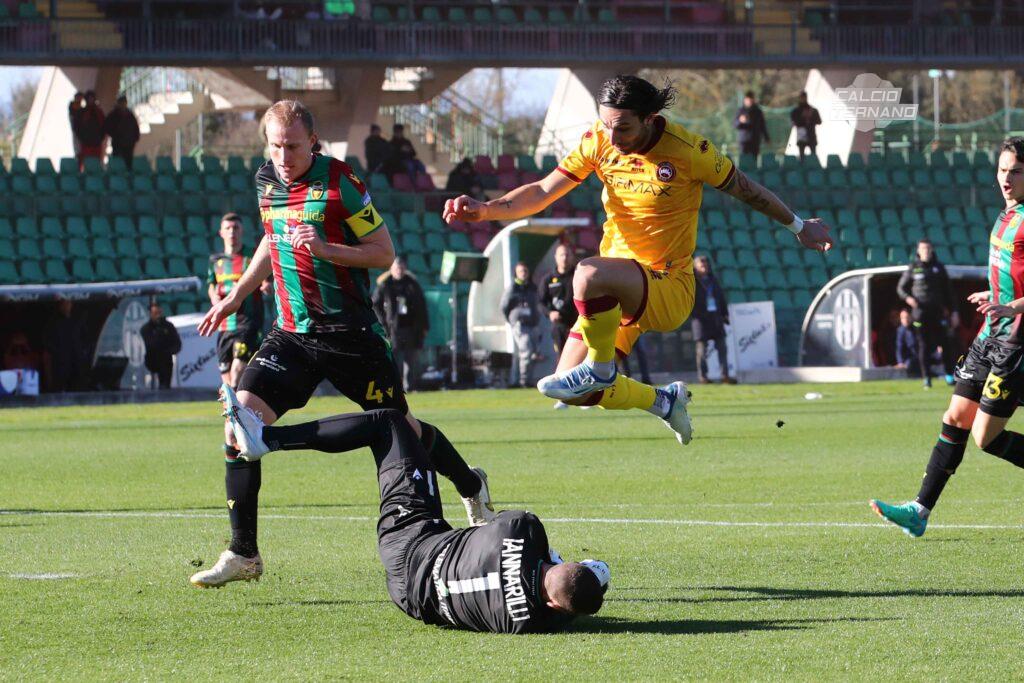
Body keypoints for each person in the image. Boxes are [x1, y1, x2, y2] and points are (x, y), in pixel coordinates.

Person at [192, 100, 494, 588]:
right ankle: (243, 553)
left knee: (404, 429)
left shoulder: (341, 185)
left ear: (312, 141)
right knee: (238, 425)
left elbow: (383, 252)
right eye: (274, 146)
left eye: (292, 146)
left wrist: (327, 248)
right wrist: (234, 297)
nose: (283, 155)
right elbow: (271, 241)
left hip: (351, 335)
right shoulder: (266, 181)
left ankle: (469, 482)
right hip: (291, 332)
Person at [444, 75, 832, 445]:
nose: (612, 137)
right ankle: (663, 402)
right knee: (571, 388)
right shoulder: (599, 142)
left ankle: (600, 369)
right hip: (616, 292)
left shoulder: (688, 150)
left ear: (650, 119)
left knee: (586, 273)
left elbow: (746, 189)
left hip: (668, 286)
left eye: (623, 128)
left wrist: (798, 225)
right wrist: (485, 210)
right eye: (606, 125)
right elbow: (544, 190)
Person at [219, 386, 610, 632]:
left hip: (414, 535)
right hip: (410, 598)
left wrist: (561, 564)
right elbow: (559, 604)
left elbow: (501, 529)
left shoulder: (524, 531)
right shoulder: (530, 622)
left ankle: (266, 438)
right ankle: (469, 484)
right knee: (417, 444)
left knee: (389, 422)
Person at [871, 137, 1024, 538]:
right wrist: (996, 297)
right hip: (989, 336)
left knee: (985, 438)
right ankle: (919, 511)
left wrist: (1013, 308)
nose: (1006, 178)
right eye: (1003, 170)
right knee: (955, 417)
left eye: (1016, 172)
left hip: (1015, 344)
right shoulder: (1005, 216)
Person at [207, 213, 264, 391]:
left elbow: (265, 277)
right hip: (225, 325)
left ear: (242, 231)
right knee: (226, 375)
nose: (232, 232)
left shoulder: (252, 255)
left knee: (238, 367)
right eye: (228, 228)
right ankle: (234, 408)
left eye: (236, 228)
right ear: (221, 233)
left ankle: (234, 399)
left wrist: (267, 285)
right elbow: (211, 285)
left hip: (248, 321)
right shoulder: (215, 261)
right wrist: (214, 298)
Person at [897, 239, 954, 388]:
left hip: (938, 313)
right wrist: (909, 299)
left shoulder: (939, 268)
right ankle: (926, 378)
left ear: (932, 250)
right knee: (923, 346)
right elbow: (901, 288)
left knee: (945, 345)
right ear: (918, 251)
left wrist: (954, 312)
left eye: (928, 248)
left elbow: (948, 292)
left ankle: (949, 375)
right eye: (923, 249)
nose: (926, 251)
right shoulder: (913, 267)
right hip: (920, 313)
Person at [372, 256, 429, 392]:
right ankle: (395, 386)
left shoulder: (412, 284)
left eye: (402, 268)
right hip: (393, 328)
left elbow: (422, 306)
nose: (400, 270)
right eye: (397, 268)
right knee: (395, 358)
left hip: (411, 327)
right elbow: (375, 304)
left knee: (410, 358)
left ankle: (409, 386)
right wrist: (383, 322)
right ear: (392, 269)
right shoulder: (385, 284)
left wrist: (424, 326)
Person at [540, 244, 578, 408]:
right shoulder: (548, 279)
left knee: (581, 360)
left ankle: (584, 396)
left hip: (579, 325)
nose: (565, 258)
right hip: (560, 327)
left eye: (568, 254)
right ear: (556, 257)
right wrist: (549, 313)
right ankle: (563, 398)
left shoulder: (578, 275)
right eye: (562, 255)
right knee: (563, 360)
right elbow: (541, 303)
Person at [692, 255, 735, 384]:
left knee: (722, 348)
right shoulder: (692, 281)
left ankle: (725, 376)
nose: (704, 266)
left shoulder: (713, 280)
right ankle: (703, 377)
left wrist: (725, 314)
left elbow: (721, 297)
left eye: (705, 264)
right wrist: (697, 315)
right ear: (695, 266)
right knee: (702, 352)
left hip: (716, 319)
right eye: (701, 264)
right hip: (700, 321)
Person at [501, 262, 542, 388]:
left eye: (525, 271)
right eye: (521, 271)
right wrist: (512, 320)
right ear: (516, 273)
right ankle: (524, 381)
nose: (523, 274)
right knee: (526, 351)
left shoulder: (532, 287)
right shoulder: (513, 288)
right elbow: (504, 306)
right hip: (520, 324)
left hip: (533, 324)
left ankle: (523, 379)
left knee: (533, 353)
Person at [42, 298, 87, 392]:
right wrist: (49, 378)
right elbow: (47, 353)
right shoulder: (53, 323)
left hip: (77, 367)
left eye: (68, 302)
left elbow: (84, 343)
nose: (66, 305)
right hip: (60, 368)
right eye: (63, 303)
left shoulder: (78, 321)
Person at [140, 302, 181, 389]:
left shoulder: (168, 326)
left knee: (165, 380)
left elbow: (177, 343)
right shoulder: (146, 329)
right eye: (155, 313)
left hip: (166, 359)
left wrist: (170, 350)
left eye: (159, 313)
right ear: (150, 314)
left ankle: (165, 389)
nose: (157, 316)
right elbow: (150, 344)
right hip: (151, 359)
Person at [103, 94, 140, 168]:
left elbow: (135, 127)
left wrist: (135, 137)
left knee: (128, 164)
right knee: (118, 163)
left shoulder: (130, 114)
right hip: (118, 144)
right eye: (121, 102)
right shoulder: (113, 115)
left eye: (124, 102)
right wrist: (116, 135)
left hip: (129, 144)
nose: (123, 104)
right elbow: (107, 127)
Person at [733, 90, 771, 160]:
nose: (750, 102)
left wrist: (766, 138)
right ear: (745, 100)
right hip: (744, 141)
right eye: (748, 100)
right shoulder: (740, 111)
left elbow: (762, 126)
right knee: (744, 161)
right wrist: (740, 121)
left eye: (751, 100)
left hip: (755, 140)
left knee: (754, 160)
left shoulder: (758, 112)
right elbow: (735, 124)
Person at [76, 90, 106, 169]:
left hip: (97, 143)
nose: (91, 100)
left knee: (96, 164)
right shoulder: (82, 112)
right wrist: (82, 137)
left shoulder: (99, 112)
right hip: (85, 143)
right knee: (85, 163)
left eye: (92, 98)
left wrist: (100, 137)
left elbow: (104, 126)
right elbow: (77, 127)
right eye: (89, 99)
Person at [789, 91, 822, 161]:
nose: (803, 99)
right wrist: (803, 117)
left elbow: (819, 121)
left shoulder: (813, 110)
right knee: (802, 157)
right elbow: (793, 123)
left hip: (811, 135)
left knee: (813, 157)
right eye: (801, 98)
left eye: (804, 97)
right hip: (801, 137)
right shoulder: (796, 111)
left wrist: (810, 118)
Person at [894, 308, 920, 376]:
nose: (905, 320)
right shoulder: (900, 330)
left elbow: (921, 324)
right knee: (909, 364)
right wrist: (900, 362)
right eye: (903, 318)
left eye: (907, 317)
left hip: (919, 355)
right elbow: (899, 348)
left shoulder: (915, 325)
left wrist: (915, 322)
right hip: (909, 358)